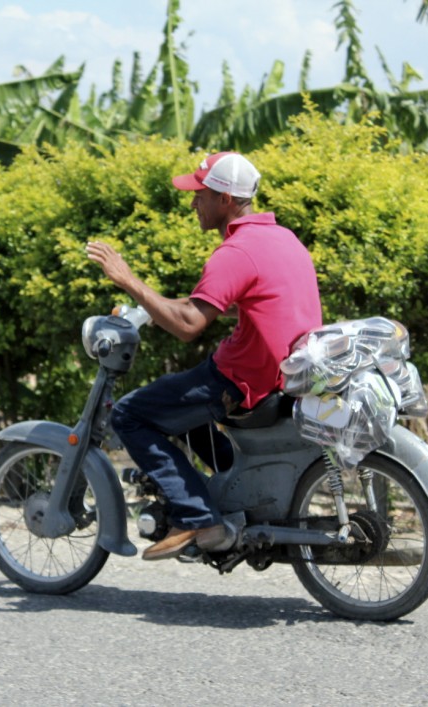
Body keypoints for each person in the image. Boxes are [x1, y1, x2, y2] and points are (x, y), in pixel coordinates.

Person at [86, 151, 322, 560]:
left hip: (243, 379)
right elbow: (218, 303)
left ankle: (197, 518)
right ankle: (232, 492)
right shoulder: (281, 238)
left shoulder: (235, 252)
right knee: (181, 403)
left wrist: (128, 281)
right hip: (281, 374)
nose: (194, 202)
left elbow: (188, 325)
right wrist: (152, 307)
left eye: (201, 193)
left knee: (130, 414)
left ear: (225, 200)